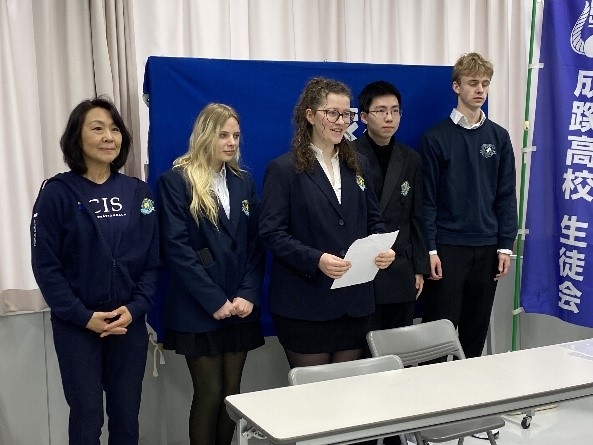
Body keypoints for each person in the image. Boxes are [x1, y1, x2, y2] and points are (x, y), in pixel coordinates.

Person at [30, 98, 159, 445]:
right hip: (78, 326)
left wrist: (135, 308)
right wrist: (82, 316)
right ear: (77, 137)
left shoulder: (138, 192)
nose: (109, 137)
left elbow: (152, 260)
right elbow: (46, 267)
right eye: (97, 128)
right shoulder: (57, 193)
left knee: (126, 417)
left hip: (127, 324)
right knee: (87, 420)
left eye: (115, 129)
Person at [259, 77, 395, 370]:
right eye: (332, 113)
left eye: (346, 114)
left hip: (353, 303)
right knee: (313, 393)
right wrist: (316, 259)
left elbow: (374, 219)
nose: (341, 122)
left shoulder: (358, 164)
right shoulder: (284, 169)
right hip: (305, 303)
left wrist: (383, 247)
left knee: (348, 391)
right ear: (310, 115)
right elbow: (272, 233)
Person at [157, 103, 264, 445]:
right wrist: (215, 300)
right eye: (223, 135)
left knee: (231, 395)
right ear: (205, 135)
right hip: (199, 307)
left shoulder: (243, 182)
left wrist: (247, 293)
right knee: (209, 393)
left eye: (236, 135)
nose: (231, 142)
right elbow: (177, 249)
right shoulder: (176, 181)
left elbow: (255, 245)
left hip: (239, 306)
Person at [419, 52, 518, 359]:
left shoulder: (499, 137)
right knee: (438, 334)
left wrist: (505, 246)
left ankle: (471, 388)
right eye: (473, 83)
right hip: (448, 248)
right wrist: (430, 250)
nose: (480, 90)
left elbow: (506, 195)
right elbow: (427, 200)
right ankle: (434, 388)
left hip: (487, 248)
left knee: (475, 334)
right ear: (456, 86)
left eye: (485, 84)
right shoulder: (435, 138)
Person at [356, 80, 429, 332]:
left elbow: (417, 216)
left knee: (399, 345)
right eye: (381, 111)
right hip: (362, 268)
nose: (389, 118)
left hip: (400, 267)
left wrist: (419, 268)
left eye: (395, 111)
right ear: (364, 117)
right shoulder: (348, 154)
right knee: (363, 346)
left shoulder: (411, 158)